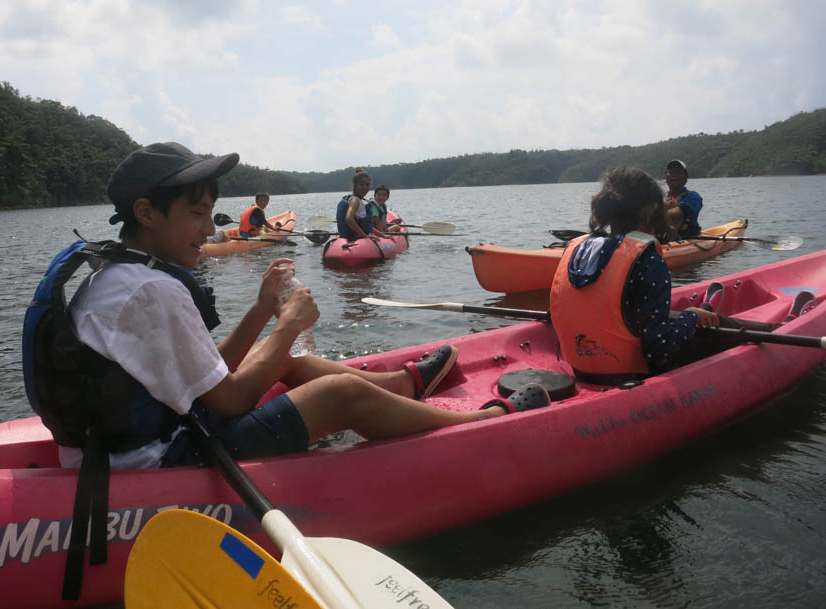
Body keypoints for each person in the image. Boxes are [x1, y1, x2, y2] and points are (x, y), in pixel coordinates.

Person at [42, 142, 546, 475]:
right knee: (339, 392)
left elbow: (207, 369)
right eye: (196, 214)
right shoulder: (152, 289)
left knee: (288, 359)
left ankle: (401, 387)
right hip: (164, 460)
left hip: (145, 437)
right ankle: (480, 426)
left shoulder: (119, 273)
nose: (207, 230)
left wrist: (264, 309)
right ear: (145, 213)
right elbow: (232, 400)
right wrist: (289, 321)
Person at [549, 166, 776, 382]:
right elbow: (660, 346)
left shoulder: (575, 248)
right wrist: (692, 317)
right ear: (649, 210)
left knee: (675, 316)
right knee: (708, 325)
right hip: (630, 373)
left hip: (579, 369)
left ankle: (707, 308)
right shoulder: (647, 259)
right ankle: (774, 331)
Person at [335, 168, 383, 240]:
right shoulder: (355, 200)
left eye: (367, 185)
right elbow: (349, 219)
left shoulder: (354, 199)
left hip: (350, 237)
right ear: (355, 185)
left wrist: (382, 235)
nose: (365, 187)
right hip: (356, 239)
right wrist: (365, 236)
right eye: (361, 185)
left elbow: (367, 226)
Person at [664, 159, 702, 239]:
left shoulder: (694, 197)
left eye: (678, 172)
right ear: (666, 177)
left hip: (685, 237)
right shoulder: (661, 196)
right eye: (670, 172)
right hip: (662, 237)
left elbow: (673, 214)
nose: (674, 175)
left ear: (686, 177)